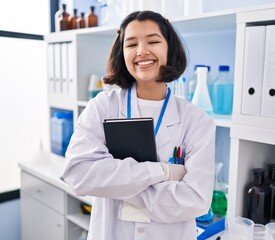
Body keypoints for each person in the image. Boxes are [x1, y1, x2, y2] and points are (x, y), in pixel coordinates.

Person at [63, 10, 216, 240]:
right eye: (131, 44)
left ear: (169, 48)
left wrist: (117, 184)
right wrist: (163, 172)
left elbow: (196, 200)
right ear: (121, 53)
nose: (142, 51)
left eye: (153, 41)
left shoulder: (197, 120)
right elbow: (78, 174)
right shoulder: (103, 106)